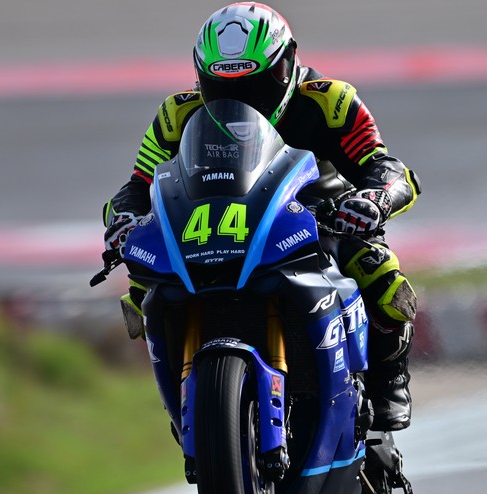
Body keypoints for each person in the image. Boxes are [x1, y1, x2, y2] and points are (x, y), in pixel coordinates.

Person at [101, 2, 422, 432]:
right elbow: (139, 185)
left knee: (378, 272)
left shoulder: (330, 101)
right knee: (143, 285)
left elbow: (384, 165)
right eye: (222, 87)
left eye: (254, 86)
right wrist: (123, 219)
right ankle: (185, 392)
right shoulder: (177, 114)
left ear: (286, 65)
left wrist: (374, 200)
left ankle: (388, 386)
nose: (241, 100)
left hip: (318, 220)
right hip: (217, 225)